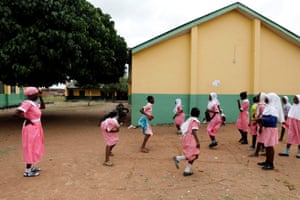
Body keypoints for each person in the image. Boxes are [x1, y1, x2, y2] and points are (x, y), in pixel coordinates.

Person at [14, 87, 45, 177]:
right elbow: (16, 113)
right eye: (36, 94)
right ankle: (27, 171)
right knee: (30, 147)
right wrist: (27, 119)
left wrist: (41, 97)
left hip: (36, 126)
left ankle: (31, 167)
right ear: (31, 95)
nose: (37, 95)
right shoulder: (27, 103)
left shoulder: (33, 103)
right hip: (30, 128)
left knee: (35, 146)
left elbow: (43, 107)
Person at [256, 93, 284, 170]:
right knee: (267, 146)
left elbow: (273, 120)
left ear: (271, 99)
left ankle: (271, 164)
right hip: (266, 129)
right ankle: (267, 161)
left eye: (267, 98)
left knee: (270, 147)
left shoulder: (273, 109)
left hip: (270, 129)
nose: (265, 99)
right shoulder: (268, 107)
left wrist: (262, 119)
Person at [173, 107, 200, 176]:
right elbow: (194, 131)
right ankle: (180, 160)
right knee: (194, 154)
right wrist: (197, 142)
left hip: (186, 138)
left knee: (193, 154)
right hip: (191, 138)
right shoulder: (195, 121)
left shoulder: (189, 120)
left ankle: (186, 169)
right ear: (198, 114)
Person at [249, 92, 267, 157]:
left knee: (261, 137)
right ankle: (260, 150)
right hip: (259, 123)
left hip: (261, 124)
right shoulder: (260, 105)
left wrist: (260, 126)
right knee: (260, 137)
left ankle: (259, 151)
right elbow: (258, 114)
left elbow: (262, 116)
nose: (257, 97)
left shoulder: (262, 106)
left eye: (259, 96)